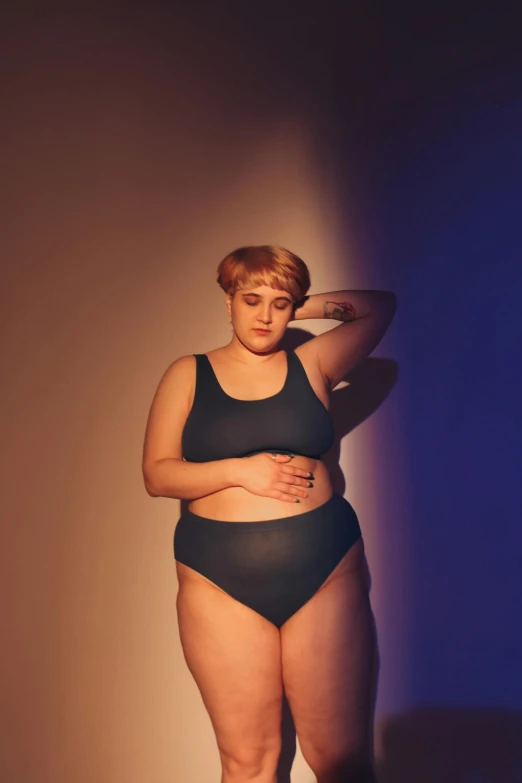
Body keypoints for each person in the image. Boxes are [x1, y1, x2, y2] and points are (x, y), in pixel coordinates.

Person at [142, 245, 396, 783]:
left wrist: (295, 305)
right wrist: (241, 471)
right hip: (219, 581)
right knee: (248, 763)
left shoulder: (313, 363)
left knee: (340, 761)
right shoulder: (189, 373)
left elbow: (379, 307)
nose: (264, 315)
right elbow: (157, 474)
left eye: (278, 304)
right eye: (250, 299)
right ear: (227, 301)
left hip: (324, 570)